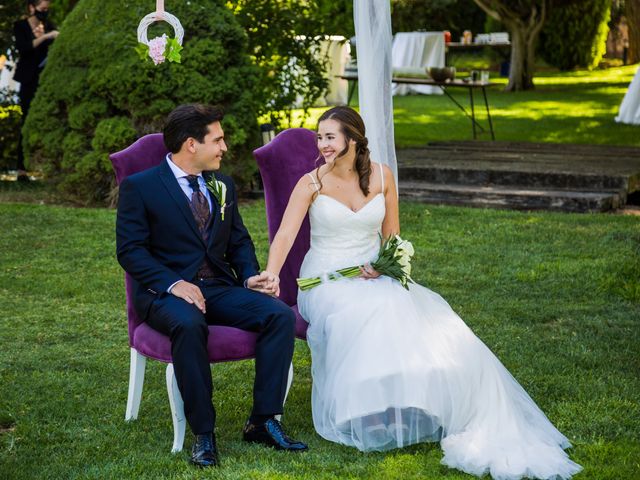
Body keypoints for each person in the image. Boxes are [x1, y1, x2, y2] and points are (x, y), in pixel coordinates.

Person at [264, 106, 582, 480]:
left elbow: (392, 238)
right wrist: (271, 273)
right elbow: (285, 235)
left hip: (373, 273)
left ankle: (429, 401)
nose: (323, 144)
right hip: (326, 278)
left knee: (423, 311)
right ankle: (364, 408)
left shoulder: (382, 177)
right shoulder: (311, 183)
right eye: (320, 137)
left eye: (330, 136)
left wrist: (383, 265)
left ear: (353, 139)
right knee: (366, 309)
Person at [116, 104, 308, 468]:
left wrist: (250, 274)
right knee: (189, 324)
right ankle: (204, 434)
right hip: (164, 295)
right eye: (217, 140)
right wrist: (174, 284)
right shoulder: (140, 188)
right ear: (191, 144)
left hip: (219, 287)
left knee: (279, 316)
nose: (224, 147)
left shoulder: (223, 185)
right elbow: (130, 252)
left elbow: (238, 240)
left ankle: (263, 421)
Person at [13, 0, 59, 181]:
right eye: (42, 9)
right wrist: (46, 37)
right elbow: (24, 48)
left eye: (47, 10)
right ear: (31, 8)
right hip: (28, 81)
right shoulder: (20, 26)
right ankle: (21, 168)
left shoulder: (48, 26)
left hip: (44, 81)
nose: (45, 13)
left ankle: (46, 167)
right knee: (26, 121)